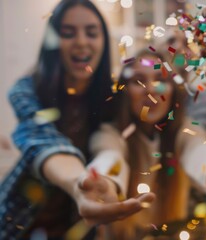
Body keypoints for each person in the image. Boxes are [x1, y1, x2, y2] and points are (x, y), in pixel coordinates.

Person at [0, 1, 154, 239]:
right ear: (53, 42)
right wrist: (78, 184)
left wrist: (106, 179)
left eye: (91, 33)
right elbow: (41, 140)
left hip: (76, 228)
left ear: (104, 41)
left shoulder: (112, 98)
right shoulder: (28, 89)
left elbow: (110, 143)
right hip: (18, 222)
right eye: (68, 33)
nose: (81, 41)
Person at [89, 49, 206, 239]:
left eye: (160, 80)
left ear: (172, 89)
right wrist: (104, 181)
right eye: (138, 80)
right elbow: (109, 155)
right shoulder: (111, 134)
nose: (150, 89)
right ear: (125, 89)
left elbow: (199, 151)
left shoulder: (186, 130)